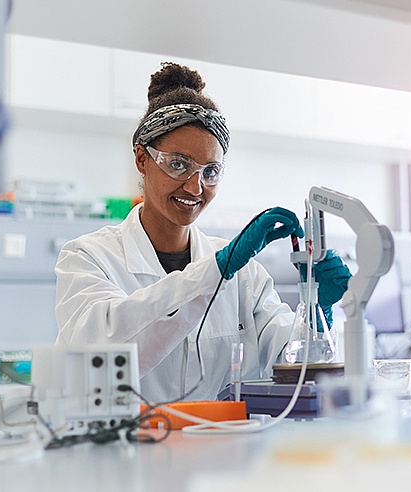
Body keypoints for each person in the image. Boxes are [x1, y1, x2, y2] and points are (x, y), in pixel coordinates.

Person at [54, 62, 351, 402]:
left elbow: (288, 367)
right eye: (178, 164)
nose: (195, 186)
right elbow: (101, 353)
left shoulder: (244, 274)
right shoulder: (88, 258)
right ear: (142, 158)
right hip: (126, 451)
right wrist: (215, 270)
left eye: (210, 171)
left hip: (222, 450)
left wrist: (315, 313)